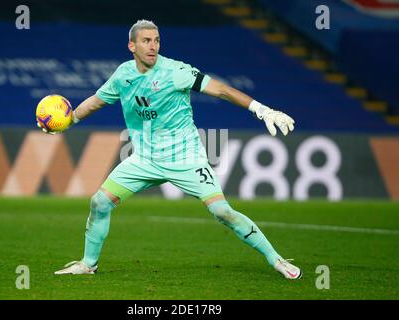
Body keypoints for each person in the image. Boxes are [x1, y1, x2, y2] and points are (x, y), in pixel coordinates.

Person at [42, 19, 301, 279]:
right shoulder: (123, 75)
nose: (153, 46)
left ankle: (277, 259)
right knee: (99, 202)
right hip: (144, 159)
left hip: (185, 157)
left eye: (156, 40)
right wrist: (70, 120)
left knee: (222, 211)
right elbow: (96, 102)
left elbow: (221, 90)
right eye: (146, 41)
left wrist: (261, 109)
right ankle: (88, 264)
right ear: (132, 45)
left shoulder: (177, 71)